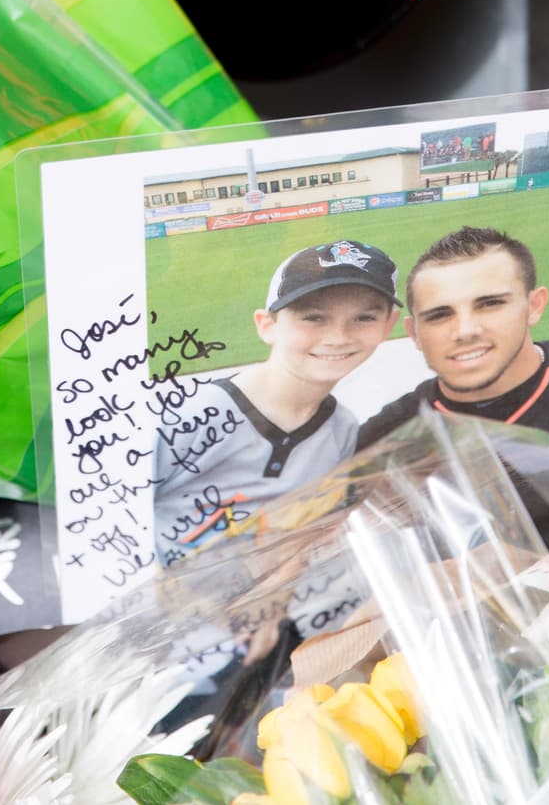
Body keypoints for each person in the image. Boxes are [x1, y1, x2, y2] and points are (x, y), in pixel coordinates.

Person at [357, 226, 549, 545]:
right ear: (414, 332)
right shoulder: (383, 442)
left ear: (534, 306)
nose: (466, 330)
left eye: (490, 304)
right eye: (440, 315)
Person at [153, 239, 401, 570]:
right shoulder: (191, 414)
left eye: (363, 318)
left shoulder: (341, 430)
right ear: (267, 326)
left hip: (255, 609)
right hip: (154, 611)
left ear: (388, 325)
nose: (339, 336)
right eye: (313, 318)